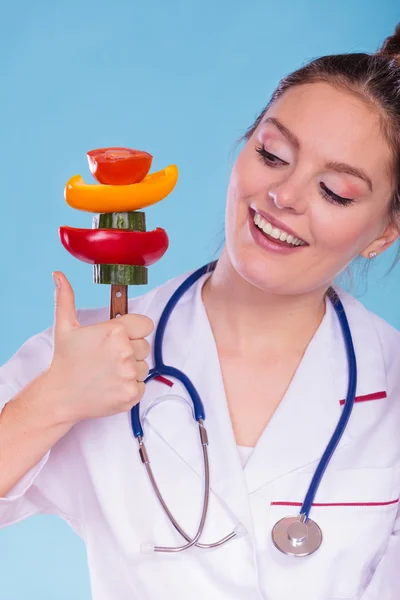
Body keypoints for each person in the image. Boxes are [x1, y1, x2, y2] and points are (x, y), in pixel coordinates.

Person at [1, 24, 400, 600]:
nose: (284, 196)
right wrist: (51, 401)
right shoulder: (85, 353)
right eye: (272, 154)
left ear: (382, 234)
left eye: (335, 191)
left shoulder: (391, 381)